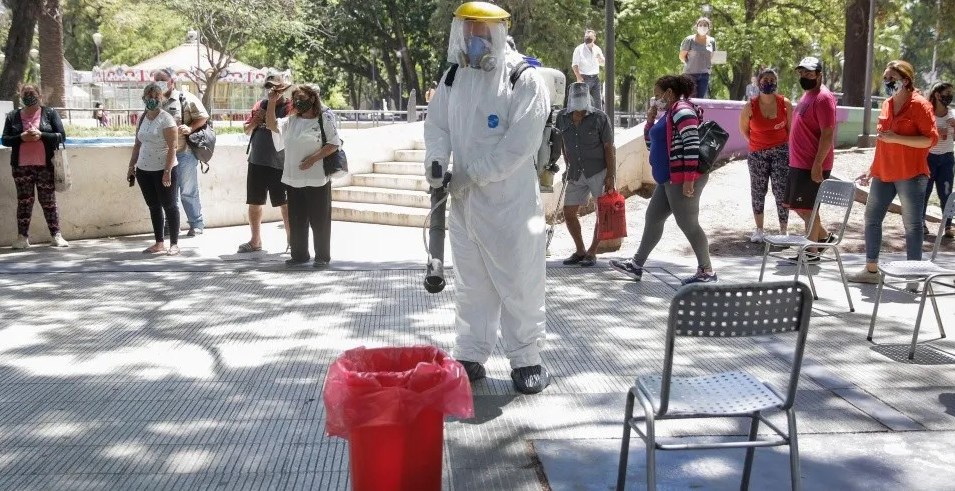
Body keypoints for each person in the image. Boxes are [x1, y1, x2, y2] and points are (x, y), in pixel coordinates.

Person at [424, 2, 551, 394]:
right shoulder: (452, 78)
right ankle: (470, 352)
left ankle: (527, 358)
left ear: (498, 32)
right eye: (468, 30)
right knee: (472, 282)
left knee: (518, 280)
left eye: (482, 31)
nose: (473, 39)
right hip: (464, 207)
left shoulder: (523, 79)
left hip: (510, 206)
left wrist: (471, 175)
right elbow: (438, 125)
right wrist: (436, 161)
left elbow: (518, 146)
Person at [609, 74, 717, 284]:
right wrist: (649, 122)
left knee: (688, 224)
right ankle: (636, 265)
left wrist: (688, 179)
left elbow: (692, 143)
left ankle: (707, 270)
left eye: (657, 95)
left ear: (669, 93)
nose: (655, 98)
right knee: (653, 217)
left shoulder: (682, 110)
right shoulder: (669, 113)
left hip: (682, 178)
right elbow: (652, 144)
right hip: (668, 179)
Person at [849, 60, 938, 283]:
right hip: (883, 172)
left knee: (912, 225)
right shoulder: (887, 104)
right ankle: (871, 271)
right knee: (871, 218)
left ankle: (914, 276)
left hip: (911, 174)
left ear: (905, 81)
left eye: (891, 79)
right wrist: (871, 169)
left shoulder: (920, 105)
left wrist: (898, 138)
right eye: (885, 78)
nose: (886, 82)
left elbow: (930, 141)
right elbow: (883, 142)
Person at [265, 83, 340, 268]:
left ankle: (322, 256)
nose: (299, 103)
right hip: (293, 178)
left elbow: (333, 144)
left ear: (313, 99)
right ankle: (299, 255)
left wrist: (313, 159)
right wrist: (272, 102)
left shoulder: (325, 118)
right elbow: (271, 125)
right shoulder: (291, 120)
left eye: (303, 99)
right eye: (296, 99)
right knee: (297, 219)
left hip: (317, 178)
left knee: (319, 220)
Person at [783, 56, 837, 262]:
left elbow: (828, 133)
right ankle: (822, 237)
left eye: (809, 72)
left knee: (808, 208)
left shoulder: (823, 98)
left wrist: (818, 164)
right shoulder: (808, 96)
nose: (804, 76)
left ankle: (810, 253)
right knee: (799, 206)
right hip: (798, 162)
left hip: (811, 164)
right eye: (802, 72)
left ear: (819, 74)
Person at [555, 81, 615, 267]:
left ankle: (592, 251)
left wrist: (610, 175)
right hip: (575, 171)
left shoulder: (599, 117)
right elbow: (564, 144)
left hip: (598, 171)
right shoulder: (562, 117)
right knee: (569, 212)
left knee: (603, 212)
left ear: (587, 98)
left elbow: (608, 148)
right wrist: (567, 165)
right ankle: (580, 250)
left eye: (583, 96)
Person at [2, 84, 69, 249]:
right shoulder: (13, 116)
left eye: (32, 93)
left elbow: (61, 136)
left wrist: (42, 135)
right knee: (24, 201)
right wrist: (21, 137)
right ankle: (22, 238)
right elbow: (5, 139)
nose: (28, 96)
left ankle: (56, 235)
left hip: (45, 165)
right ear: (20, 95)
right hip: (21, 167)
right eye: (25, 93)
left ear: (39, 95)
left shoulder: (49, 113)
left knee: (48, 201)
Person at [238, 75, 292, 253]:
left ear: (283, 88)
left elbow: (281, 128)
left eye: (275, 87)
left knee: (285, 203)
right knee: (254, 202)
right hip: (257, 160)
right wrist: (255, 120)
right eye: (269, 87)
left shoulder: (289, 106)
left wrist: (270, 110)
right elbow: (246, 130)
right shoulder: (259, 105)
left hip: (280, 163)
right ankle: (255, 241)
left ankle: (292, 241)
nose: (271, 91)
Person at [152, 68, 210, 236]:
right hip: (162, 155)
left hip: (183, 152)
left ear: (172, 81)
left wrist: (190, 127)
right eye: (156, 80)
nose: (159, 83)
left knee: (188, 190)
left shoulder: (185, 98)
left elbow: (203, 117)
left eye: (162, 79)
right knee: (167, 192)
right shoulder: (154, 101)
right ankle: (171, 225)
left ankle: (196, 223)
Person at [739, 68, 793, 242]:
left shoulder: (785, 104)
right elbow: (744, 130)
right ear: (759, 83)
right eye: (765, 79)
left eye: (772, 79)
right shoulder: (750, 106)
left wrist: (777, 145)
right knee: (758, 190)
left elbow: (790, 129)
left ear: (776, 82)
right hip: (757, 155)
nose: (768, 82)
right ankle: (759, 230)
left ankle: (783, 230)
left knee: (781, 191)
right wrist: (759, 144)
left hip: (781, 152)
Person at [127, 83, 180, 255]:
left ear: (161, 99)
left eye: (156, 97)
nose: (151, 100)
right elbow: (137, 144)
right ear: (143, 98)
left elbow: (173, 147)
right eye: (148, 97)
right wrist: (131, 166)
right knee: (154, 206)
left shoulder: (166, 119)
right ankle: (159, 242)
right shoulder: (142, 118)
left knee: (170, 205)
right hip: (144, 170)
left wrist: (167, 171)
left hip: (163, 169)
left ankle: (174, 244)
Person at [923, 82, 955, 237]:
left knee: (946, 193)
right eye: (947, 93)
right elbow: (920, 135)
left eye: (951, 93)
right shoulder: (927, 113)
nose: (949, 96)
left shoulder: (952, 114)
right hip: (929, 157)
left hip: (947, 158)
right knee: (925, 191)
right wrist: (935, 131)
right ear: (937, 95)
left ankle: (948, 226)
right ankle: (921, 222)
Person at [679, 17, 716, 98]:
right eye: (701, 25)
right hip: (690, 74)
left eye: (705, 25)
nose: (703, 27)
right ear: (697, 27)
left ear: (708, 28)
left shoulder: (712, 41)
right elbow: (682, 56)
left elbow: (712, 56)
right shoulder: (689, 40)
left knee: (700, 99)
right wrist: (691, 63)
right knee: (691, 98)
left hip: (704, 75)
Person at [571, 29, 605, 110]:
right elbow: (575, 65)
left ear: (594, 38)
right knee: (582, 102)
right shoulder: (579, 49)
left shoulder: (597, 49)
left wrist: (600, 58)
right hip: (584, 78)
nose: (587, 38)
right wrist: (579, 77)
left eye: (589, 36)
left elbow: (603, 63)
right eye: (586, 36)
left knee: (597, 103)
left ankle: (597, 121)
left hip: (595, 78)